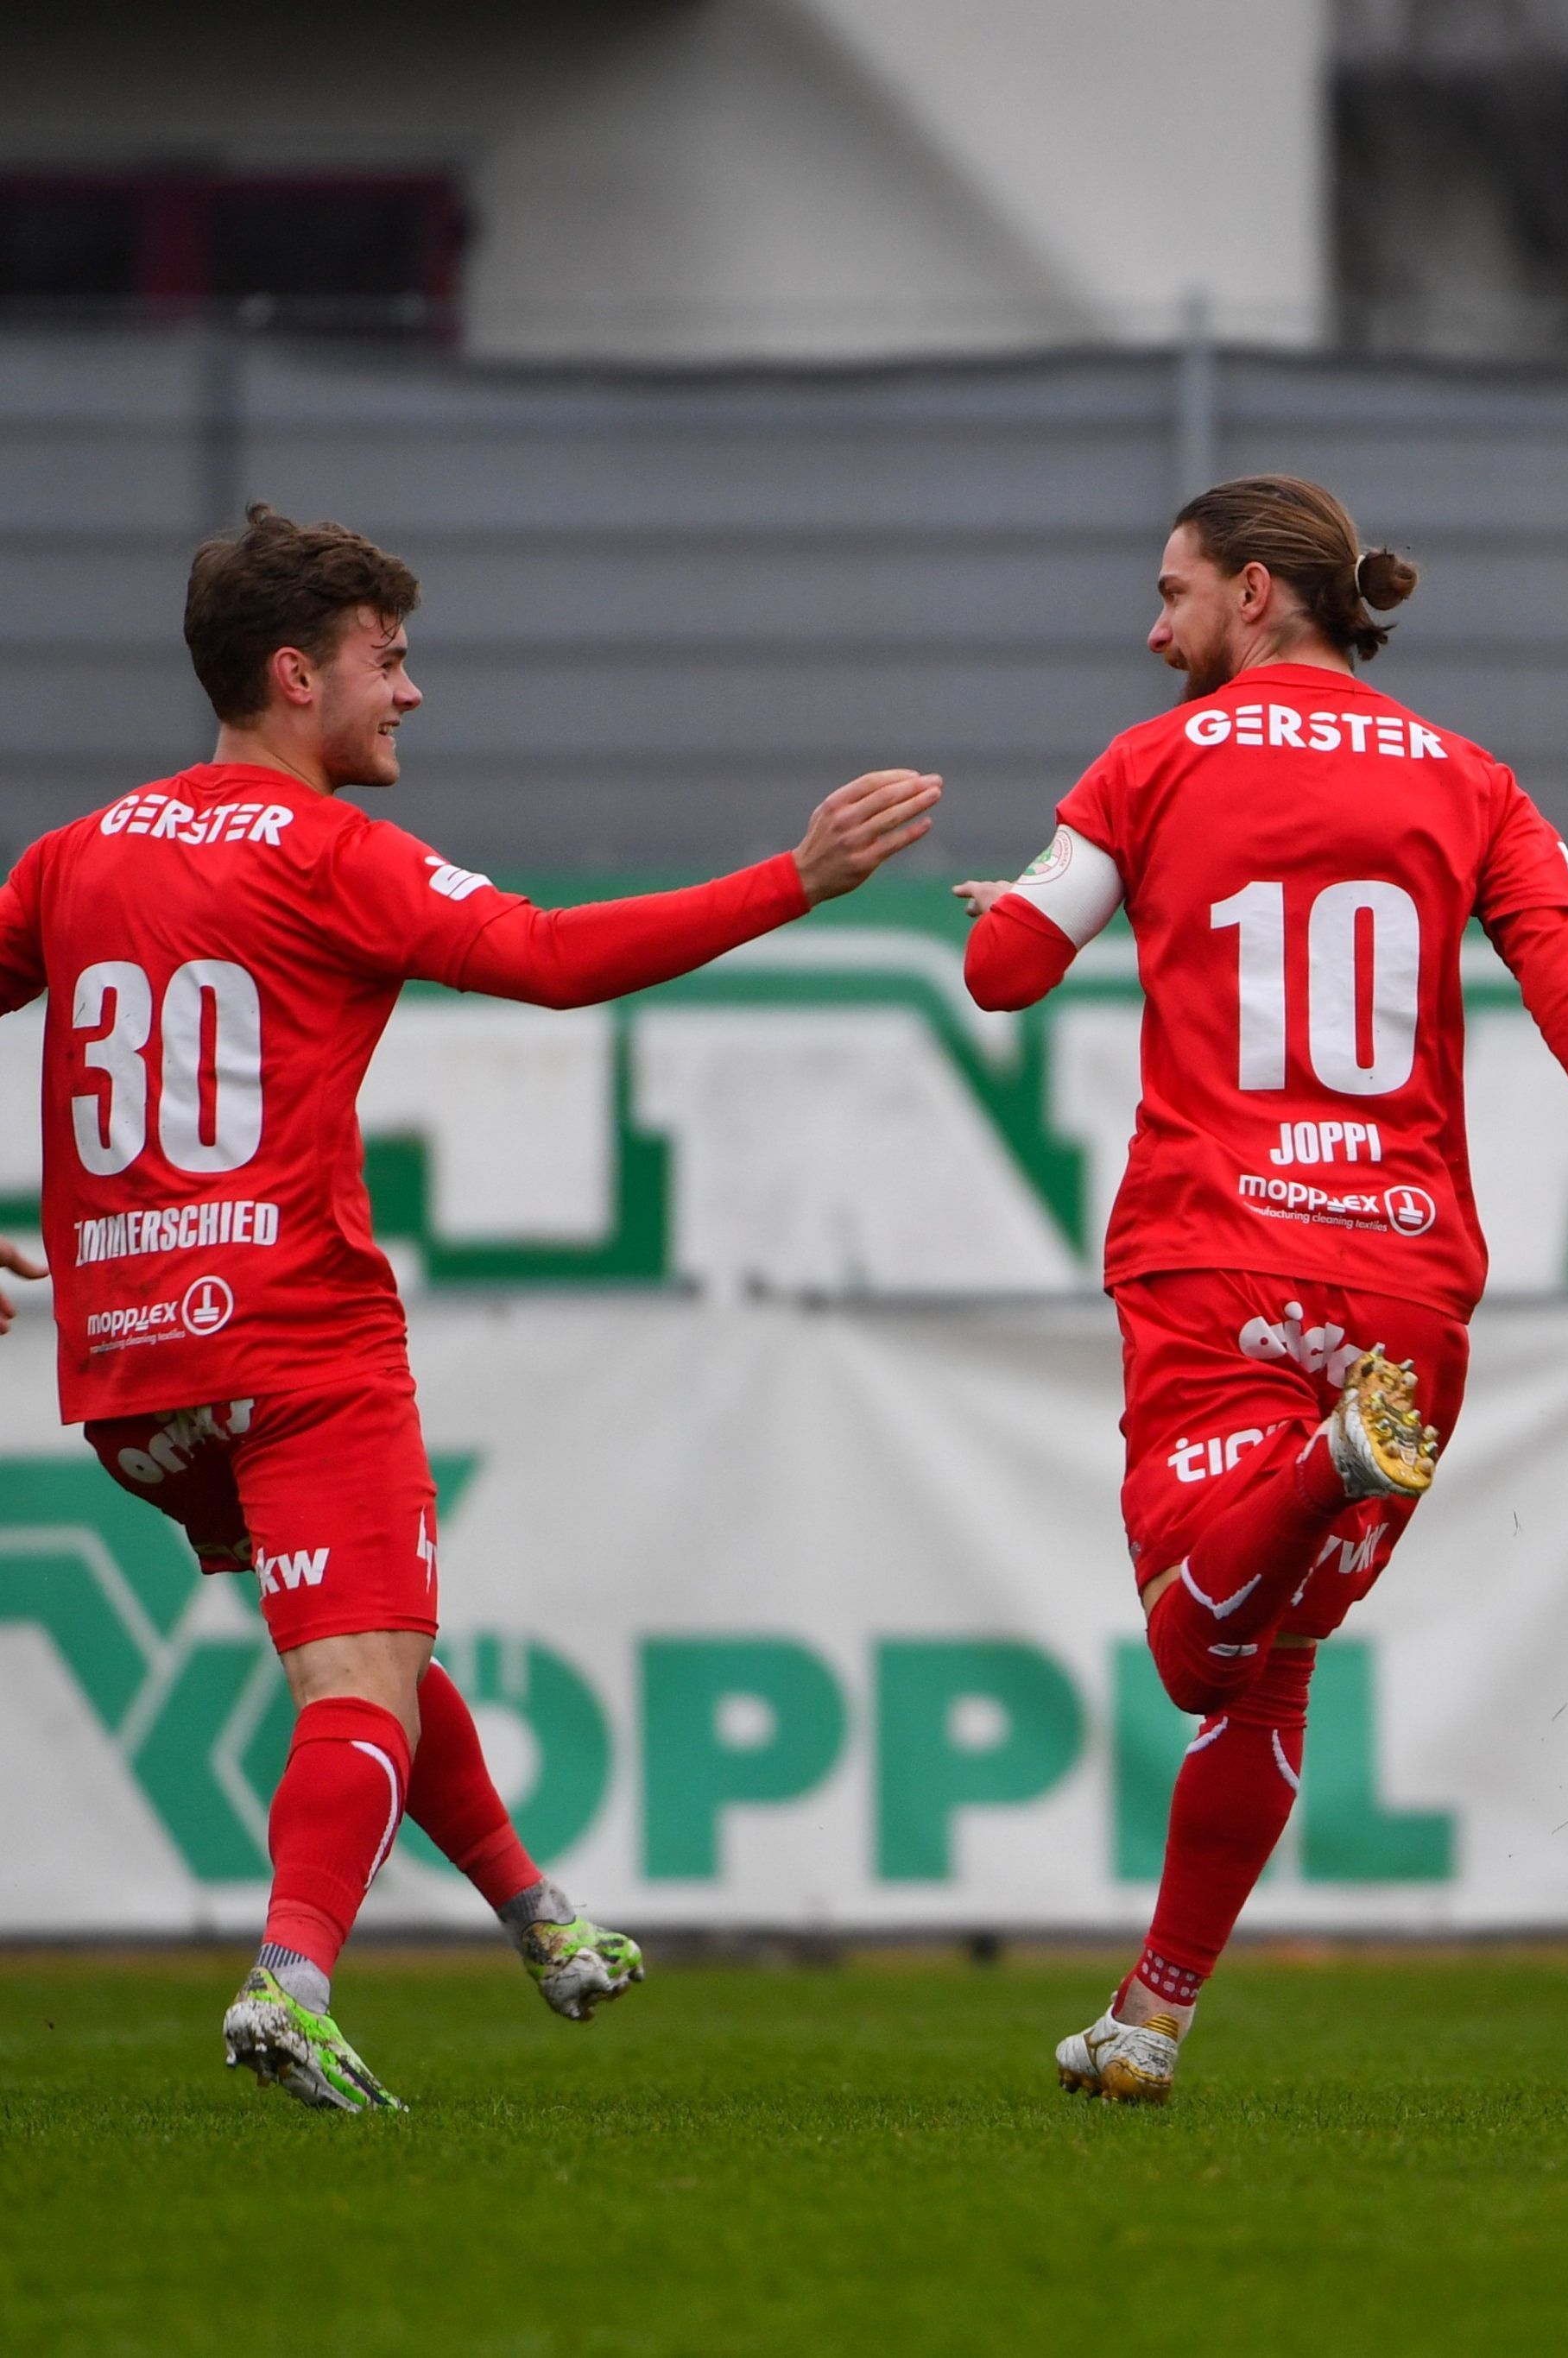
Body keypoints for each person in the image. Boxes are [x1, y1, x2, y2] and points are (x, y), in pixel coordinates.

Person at [0, 504, 940, 2112]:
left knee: (362, 1644)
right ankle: (291, 1981)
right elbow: (552, 958)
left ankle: (536, 1912)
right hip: (296, 1339)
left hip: (135, 1378)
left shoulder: (74, 855)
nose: (412, 691)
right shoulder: (331, 853)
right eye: (388, 660)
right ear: (297, 676)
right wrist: (794, 880)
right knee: (359, 1678)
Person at [957, 474, 1568, 2104]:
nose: (1152, 630)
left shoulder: (1151, 761)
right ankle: (1152, 2017)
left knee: (1196, 1653)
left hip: (1218, 1251)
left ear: (1255, 594)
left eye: (1171, 594)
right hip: (1405, 1281)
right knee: (1279, 1663)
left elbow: (1005, 975)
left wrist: (1022, 905)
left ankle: (1320, 1466)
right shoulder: (1474, 778)